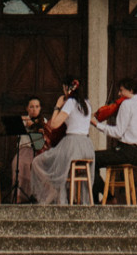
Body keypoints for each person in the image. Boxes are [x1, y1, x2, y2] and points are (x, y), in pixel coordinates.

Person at [30, 76, 95, 205]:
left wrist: (57, 106)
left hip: (72, 145)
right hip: (87, 146)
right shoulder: (87, 103)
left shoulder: (70, 103)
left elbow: (53, 124)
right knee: (59, 163)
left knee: (38, 161)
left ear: (67, 88)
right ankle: (67, 196)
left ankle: (56, 194)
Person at [91, 78, 137, 203]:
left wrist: (97, 125)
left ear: (130, 90)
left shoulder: (126, 104)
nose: (119, 94)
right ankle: (106, 198)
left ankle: (107, 198)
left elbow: (118, 132)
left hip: (125, 152)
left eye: (121, 90)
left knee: (91, 159)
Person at [9, 98, 46, 202]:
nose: (34, 109)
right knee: (17, 163)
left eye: (37, 107)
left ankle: (37, 197)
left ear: (40, 108)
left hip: (39, 151)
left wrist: (35, 126)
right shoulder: (23, 120)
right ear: (27, 108)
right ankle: (19, 197)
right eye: (31, 107)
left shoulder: (44, 121)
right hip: (24, 150)